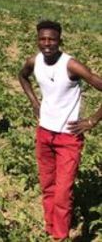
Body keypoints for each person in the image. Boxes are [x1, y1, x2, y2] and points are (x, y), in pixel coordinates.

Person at [18, 20, 101, 241]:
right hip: (44, 133)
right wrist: (35, 103)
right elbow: (22, 76)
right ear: (37, 40)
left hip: (68, 138)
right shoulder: (34, 61)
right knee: (47, 185)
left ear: (59, 41)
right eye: (42, 39)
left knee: (63, 192)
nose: (47, 43)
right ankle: (50, 227)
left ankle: (60, 236)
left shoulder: (71, 65)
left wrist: (92, 120)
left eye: (52, 39)